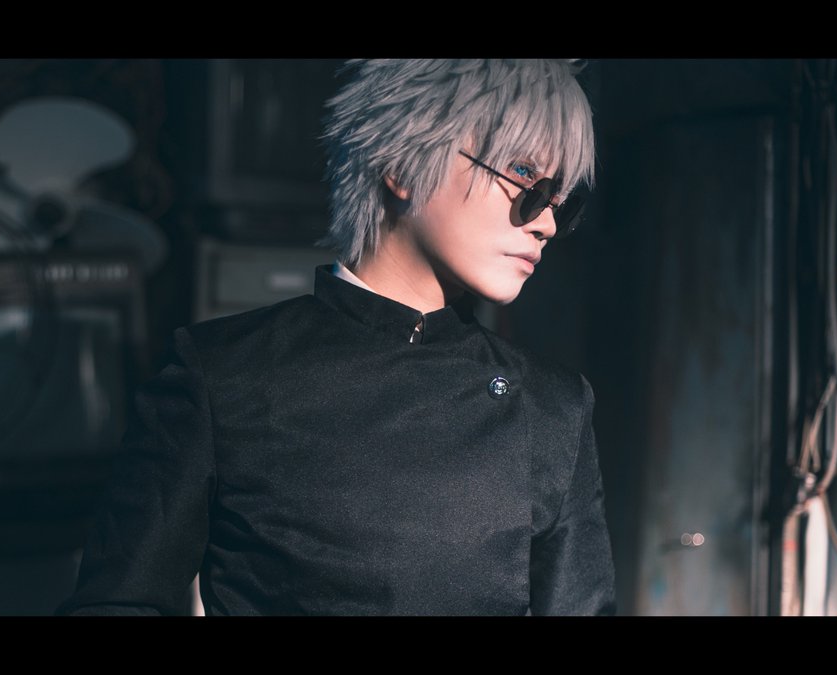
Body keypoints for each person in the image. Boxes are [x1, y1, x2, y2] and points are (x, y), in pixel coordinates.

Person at [56, 59, 615, 616]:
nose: (544, 223)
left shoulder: (552, 407)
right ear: (402, 166)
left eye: (558, 201)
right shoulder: (223, 375)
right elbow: (119, 602)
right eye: (523, 175)